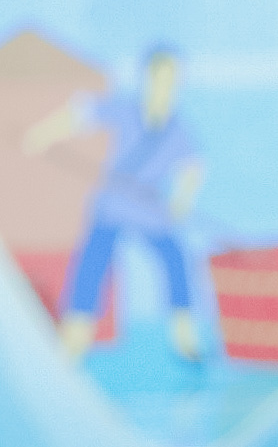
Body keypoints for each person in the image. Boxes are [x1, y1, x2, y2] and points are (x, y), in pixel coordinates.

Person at [36, 43, 219, 360]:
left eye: (171, 79)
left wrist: (181, 201)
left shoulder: (178, 130)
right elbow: (81, 114)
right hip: (113, 206)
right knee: (91, 266)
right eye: (158, 78)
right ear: (147, 78)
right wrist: (43, 134)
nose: (164, 86)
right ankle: (74, 340)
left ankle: (184, 335)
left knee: (176, 260)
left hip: (149, 211)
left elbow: (193, 168)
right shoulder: (126, 112)